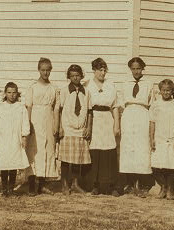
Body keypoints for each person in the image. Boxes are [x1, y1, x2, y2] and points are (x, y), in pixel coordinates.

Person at [117, 56, 156, 196]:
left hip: (142, 115)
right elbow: (120, 101)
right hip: (128, 115)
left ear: (142, 68)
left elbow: (152, 103)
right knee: (128, 148)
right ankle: (129, 183)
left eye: (138, 68)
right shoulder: (125, 82)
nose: (136, 71)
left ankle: (141, 183)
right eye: (133, 69)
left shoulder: (148, 83)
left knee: (141, 148)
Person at [24, 58, 61, 195]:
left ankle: (43, 184)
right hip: (35, 120)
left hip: (49, 119)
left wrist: (56, 125)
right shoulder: (33, 87)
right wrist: (28, 125)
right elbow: (29, 106)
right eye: (43, 70)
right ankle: (32, 184)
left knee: (48, 149)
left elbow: (56, 108)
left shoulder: (54, 88)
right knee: (35, 150)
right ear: (39, 70)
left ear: (51, 70)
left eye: (48, 70)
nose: (45, 73)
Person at [86, 58, 120, 196]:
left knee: (109, 152)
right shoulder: (87, 85)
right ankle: (95, 185)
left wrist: (117, 124)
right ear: (94, 70)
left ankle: (112, 186)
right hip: (94, 119)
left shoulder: (110, 85)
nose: (103, 72)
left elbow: (115, 106)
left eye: (105, 70)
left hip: (107, 119)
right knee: (95, 151)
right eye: (100, 70)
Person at [56, 64, 92, 195]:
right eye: (72, 76)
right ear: (69, 77)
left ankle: (75, 184)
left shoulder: (86, 92)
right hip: (67, 129)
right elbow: (59, 110)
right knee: (66, 159)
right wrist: (59, 127)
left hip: (80, 129)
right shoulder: (64, 91)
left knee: (78, 158)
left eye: (77, 75)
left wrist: (88, 127)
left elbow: (89, 111)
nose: (75, 78)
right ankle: (64, 184)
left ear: (81, 76)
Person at [150, 79, 174, 200]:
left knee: (172, 167)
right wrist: (151, 139)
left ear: (172, 91)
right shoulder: (156, 104)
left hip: (172, 139)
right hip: (159, 139)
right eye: (163, 90)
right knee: (156, 166)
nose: (166, 93)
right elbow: (152, 123)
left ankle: (170, 189)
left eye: (168, 90)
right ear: (160, 91)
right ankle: (163, 186)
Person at [0, 82, 30, 198]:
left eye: (14, 93)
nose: (12, 95)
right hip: (3, 139)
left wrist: (24, 137)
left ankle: (11, 190)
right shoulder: (0, 108)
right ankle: (4, 190)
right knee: (4, 165)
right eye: (9, 92)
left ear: (17, 93)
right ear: (5, 93)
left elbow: (25, 123)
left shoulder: (21, 107)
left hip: (15, 139)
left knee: (13, 164)